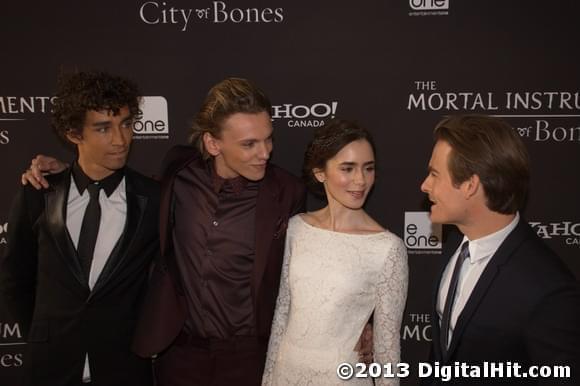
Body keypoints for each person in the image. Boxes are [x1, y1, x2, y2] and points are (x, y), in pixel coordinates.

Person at [0, 71, 158, 386]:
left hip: (124, 370)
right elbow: (15, 278)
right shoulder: (39, 192)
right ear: (73, 133)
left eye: (126, 124)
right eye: (103, 128)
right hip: (49, 369)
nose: (120, 139)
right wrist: (45, 336)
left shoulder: (153, 198)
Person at [420, 114, 580, 385]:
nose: (425, 185)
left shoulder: (547, 290)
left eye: (435, 174)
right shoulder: (453, 248)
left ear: (470, 185)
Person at [262, 119, 408, 386]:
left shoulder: (387, 249)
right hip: (286, 374)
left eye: (368, 168)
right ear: (320, 172)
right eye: (348, 168)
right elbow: (282, 315)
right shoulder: (297, 228)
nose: (360, 180)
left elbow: (388, 352)